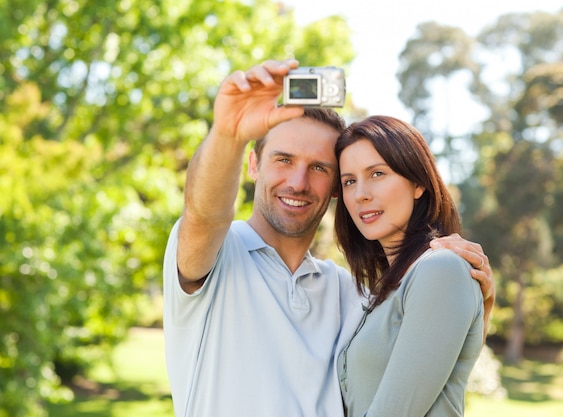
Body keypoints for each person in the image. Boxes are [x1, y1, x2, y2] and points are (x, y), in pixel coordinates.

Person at [162, 59, 494, 417]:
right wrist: (227, 133)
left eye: (319, 168)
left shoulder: (352, 293)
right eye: (283, 159)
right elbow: (204, 215)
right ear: (253, 165)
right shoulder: (215, 259)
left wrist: (476, 308)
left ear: (336, 187)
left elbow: (418, 363)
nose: (298, 182)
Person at [335, 115, 484, 417]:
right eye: (349, 181)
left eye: (377, 173)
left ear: (418, 183)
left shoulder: (441, 269)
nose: (360, 193)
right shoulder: (386, 288)